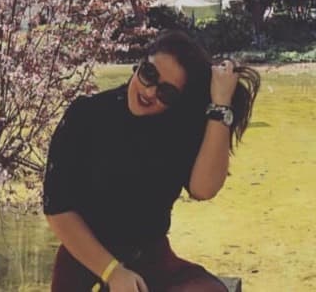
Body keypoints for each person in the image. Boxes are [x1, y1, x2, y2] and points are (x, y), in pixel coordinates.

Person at [43, 29, 260, 292]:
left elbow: (204, 188)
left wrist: (221, 104)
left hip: (152, 259)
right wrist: (113, 272)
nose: (149, 91)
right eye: (148, 74)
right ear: (140, 64)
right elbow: (57, 208)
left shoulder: (177, 128)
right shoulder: (86, 115)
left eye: (166, 92)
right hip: (85, 259)